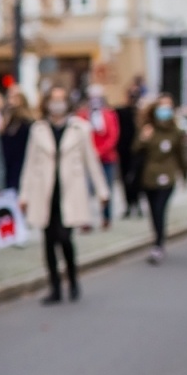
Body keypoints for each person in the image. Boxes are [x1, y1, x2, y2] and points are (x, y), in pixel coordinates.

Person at [19, 86, 108, 303]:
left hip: (71, 190)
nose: (57, 104)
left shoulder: (81, 128)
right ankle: (55, 288)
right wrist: (24, 194)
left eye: (61, 99)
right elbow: (30, 164)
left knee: (65, 238)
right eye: (53, 99)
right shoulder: (38, 129)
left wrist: (102, 191)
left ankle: (73, 280)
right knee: (48, 241)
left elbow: (92, 161)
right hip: (45, 191)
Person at [133, 94, 187, 263]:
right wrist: (143, 138)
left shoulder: (176, 131)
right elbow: (135, 150)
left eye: (168, 107)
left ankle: (159, 244)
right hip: (149, 177)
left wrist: (185, 176)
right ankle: (157, 239)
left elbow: (182, 156)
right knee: (153, 211)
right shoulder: (148, 128)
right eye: (162, 107)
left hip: (168, 176)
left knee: (160, 209)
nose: (165, 111)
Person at [80, 84, 120, 224]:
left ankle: (106, 217)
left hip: (106, 158)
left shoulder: (109, 115)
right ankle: (85, 219)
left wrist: (100, 151)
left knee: (106, 189)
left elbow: (113, 136)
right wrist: (90, 153)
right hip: (88, 159)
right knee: (86, 190)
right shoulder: (83, 115)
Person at [0, 87, 33, 192]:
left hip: (23, 166)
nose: (11, 101)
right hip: (8, 168)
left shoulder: (28, 123)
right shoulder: (6, 122)